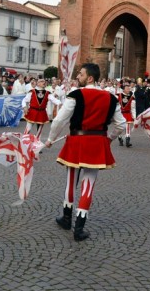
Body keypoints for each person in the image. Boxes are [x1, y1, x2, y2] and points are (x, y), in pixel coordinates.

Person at [45, 63, 126, 241]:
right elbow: (121, 125)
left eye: (80, 74)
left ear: (90, 77)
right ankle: (79, 228)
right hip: (97, 143)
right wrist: (109, 139)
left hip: (76, 141)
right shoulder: (112, 98)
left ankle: (66, 219)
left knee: (70, 181)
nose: (77, 77)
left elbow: (59, 120)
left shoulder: (75, 94)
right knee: (88, 184)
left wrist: (50, 139)